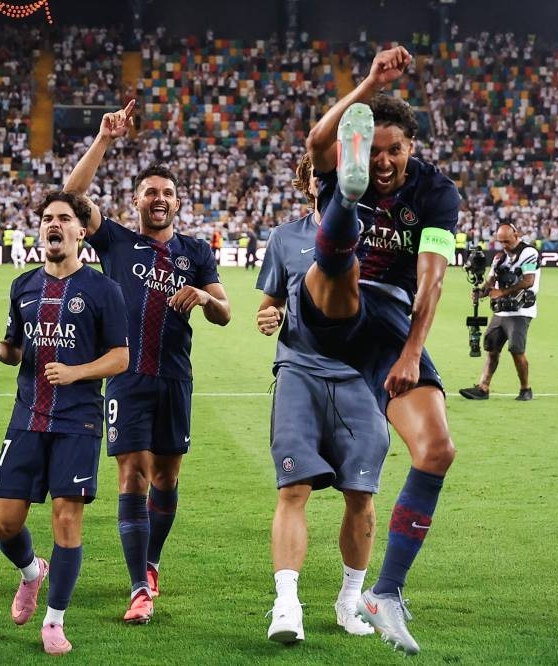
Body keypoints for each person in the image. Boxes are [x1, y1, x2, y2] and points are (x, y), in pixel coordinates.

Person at [299, 46, 460, 654]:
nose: (388, 160)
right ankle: (345, 200)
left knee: (437, 449)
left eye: (395, 150)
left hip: (388, 320)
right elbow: (317, 142)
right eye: (377, 149)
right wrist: (367, 80)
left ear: (412, 148)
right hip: (328, 299)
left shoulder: (437, 194)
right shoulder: (335, 153)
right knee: (339, 271)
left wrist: (413, 350)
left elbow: (432, 275)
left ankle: (385, 591)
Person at [64, 100, 232, 624]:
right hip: (127, 378)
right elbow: (69, 197)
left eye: (166, 194)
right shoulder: (116, 241)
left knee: (166, 479)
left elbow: (226, 312)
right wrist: (104, 140)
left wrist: (204, 300)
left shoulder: (196, 252)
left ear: (177, 203)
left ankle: (152, 562)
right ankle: (138, 586)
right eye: (150, 192)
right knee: (131, 476)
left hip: (174, 378)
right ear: (136, 199)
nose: (158, 200)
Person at [0, 191, 129, 655]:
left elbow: (121, 357)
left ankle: (55, 621)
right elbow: (18, 352)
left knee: (67, 519)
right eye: (47, 218)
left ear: (82, 231)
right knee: (4, 523)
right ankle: (30, 573)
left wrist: (76, 372)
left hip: (77, 420)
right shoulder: (23, 286)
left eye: (64, 218)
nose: (53, 224)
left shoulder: (104, 289)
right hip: (26, 418)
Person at [257, 154, 388, 643]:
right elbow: (269, 305)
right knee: (293, 490)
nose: (324, 178)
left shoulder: (376, 234)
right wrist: (267, 317)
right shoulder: (284, 238)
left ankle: (349, 602)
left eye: (333, 170)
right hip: (298, 373)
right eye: (317, 171)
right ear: (307, 181)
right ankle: (286, 605)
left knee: (362, 494)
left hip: (358, 378)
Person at [459, 222, 540, 401]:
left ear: (516, 235)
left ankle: (525, 389)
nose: (504, 245)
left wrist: (502, 292)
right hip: (501, 311)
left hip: (521, 310)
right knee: (491, 348)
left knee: (516, 349)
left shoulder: (528, 253)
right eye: (501, 242)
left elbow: (528, 281)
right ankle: (483, 387)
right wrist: (481, 292)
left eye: (507, 241)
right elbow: (491, 281)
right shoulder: (499, 258)